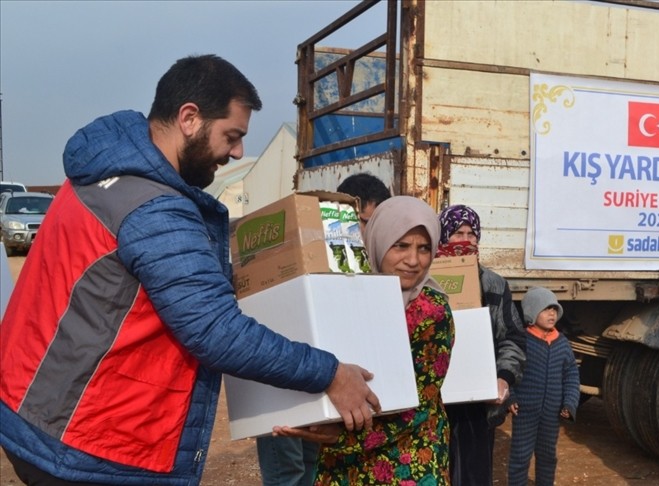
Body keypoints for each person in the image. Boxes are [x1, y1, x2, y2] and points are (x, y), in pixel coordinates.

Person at [0, 54, 379, 485]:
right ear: (189, 118)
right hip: (90, 442)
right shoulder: (153, 207)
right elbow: (215, 330)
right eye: (232, 136)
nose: (237, 152)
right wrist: (330, 374)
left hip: (36, 413)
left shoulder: (104, 175)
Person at [276, 196, 455, 485]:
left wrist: (341, 436)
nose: (413, 260)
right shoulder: (350, 292)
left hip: (407, 457)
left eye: (423, 248)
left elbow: (419, 405)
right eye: (401, 246)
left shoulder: (430, 311)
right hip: (345, 460)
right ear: (378, 242)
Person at [256, 173, 394, 486]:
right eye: (364, 221)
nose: (370, 232)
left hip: (333, 388)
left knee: (316, 469)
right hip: (285, 386)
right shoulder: (303, 254)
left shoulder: (371, 269)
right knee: (288, 474)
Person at [436, 204, 526, 486]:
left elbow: (512, 338)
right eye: (458, 233)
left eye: (472, 234)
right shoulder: (426, 280)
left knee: (474, 476)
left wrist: (503, 378)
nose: (466, 240)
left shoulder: (495, 284)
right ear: (443, 237)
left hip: (478, 406)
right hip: (434, 403)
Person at [507, 286, 579, 486]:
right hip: (525, 412)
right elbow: (509, 369)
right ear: (531, 312)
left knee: (548, 457)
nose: (552, 314)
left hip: (551, 414)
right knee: (520, 457)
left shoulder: (562, 343)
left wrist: (569, 403)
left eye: (554, 309)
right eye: (546, 309)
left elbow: (571, 375)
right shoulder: (522, 341)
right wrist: (510, 396)